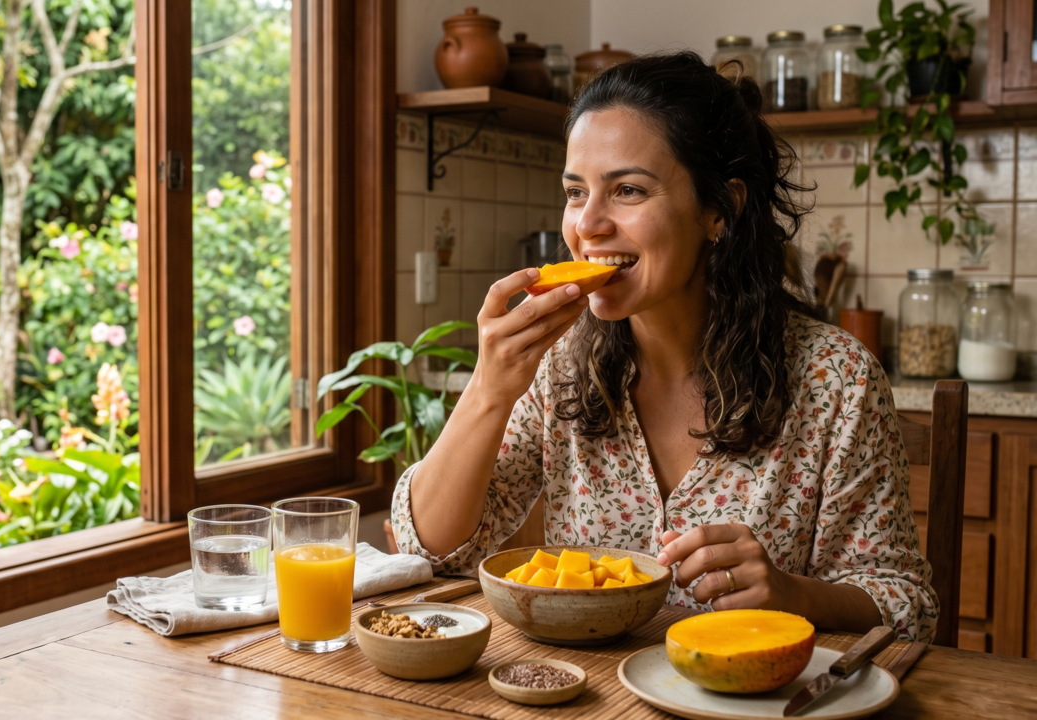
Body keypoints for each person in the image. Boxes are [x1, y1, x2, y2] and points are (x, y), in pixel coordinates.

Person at [390, 52, 937, 643]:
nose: (588, 225)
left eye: (627, 190)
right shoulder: (560, 366)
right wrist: (488, 389)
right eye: (576, 192)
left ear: (719, 210)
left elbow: (907, 605)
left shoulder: (837, 379)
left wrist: (790, 593)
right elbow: (428, 550)